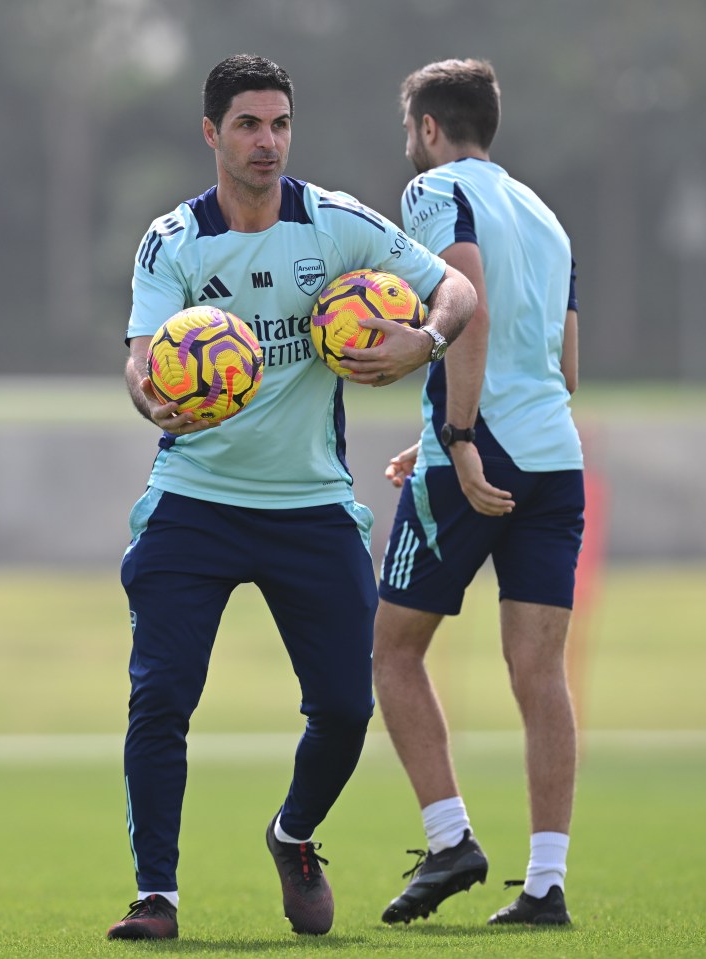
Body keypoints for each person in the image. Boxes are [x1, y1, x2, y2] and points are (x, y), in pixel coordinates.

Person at [105, 54, 477, 941]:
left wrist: (422, 342)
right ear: (212, 133)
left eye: (278, 124)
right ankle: (157, 893)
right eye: (247, 125)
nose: (266, 142)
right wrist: (150, 392)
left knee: (349, 704)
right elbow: (141, 353)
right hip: (193, 499)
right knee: (160, 698)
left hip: (310, 506)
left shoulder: (335, 222)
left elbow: (456, 288)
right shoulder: (174, 241)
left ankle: (293, 834)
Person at [372, 58, 584, 928]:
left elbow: (471, 311)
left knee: (391, 651)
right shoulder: (547, 215)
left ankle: (451, 836)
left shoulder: (433, 194)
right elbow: (562, 369)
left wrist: (456, 440)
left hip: (480, 453)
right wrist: (442, 428)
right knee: (540, 675)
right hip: (554, 455)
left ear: (426, 129)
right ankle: (546, 884)